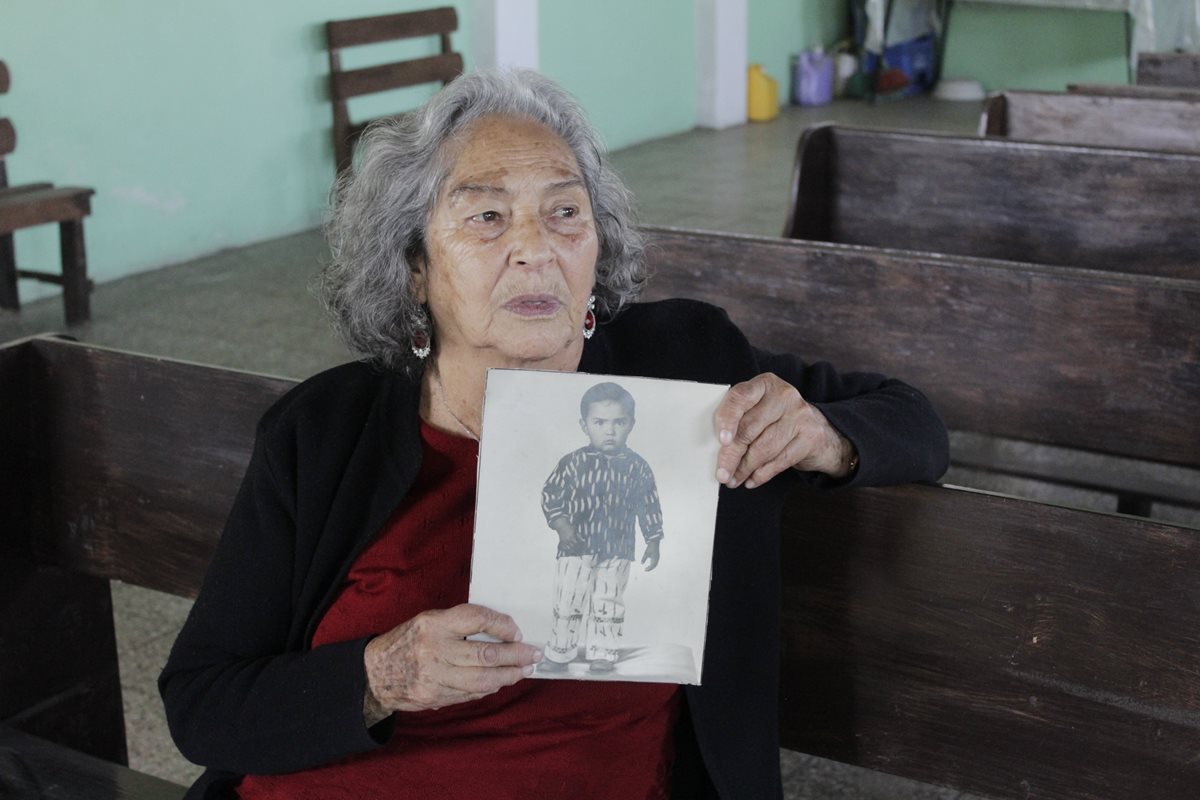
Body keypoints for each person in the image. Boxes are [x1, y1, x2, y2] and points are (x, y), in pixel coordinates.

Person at [159, 68, 949, 799]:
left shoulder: (685, 368)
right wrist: (379, 676)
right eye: (487, 216)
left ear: (596, 242)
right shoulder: (323, 431)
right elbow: (202, 704)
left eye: (564, 212)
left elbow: (911, 418)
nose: (535, 248)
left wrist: (823, 435)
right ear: (415, 270)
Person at [540, 380, 663, 675]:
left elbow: (649, 504)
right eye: (600, 422)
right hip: (574, 547)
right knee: (568, 600)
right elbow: (550, 495)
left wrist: (653, 541)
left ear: (631, 424)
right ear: (585, 425)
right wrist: (563, 528)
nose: (610, 430)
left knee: (608, 602)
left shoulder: (638, 467)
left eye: (618, 422)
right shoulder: (572, 463)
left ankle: (603, 653)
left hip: (617, 548)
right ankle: (559, 653)